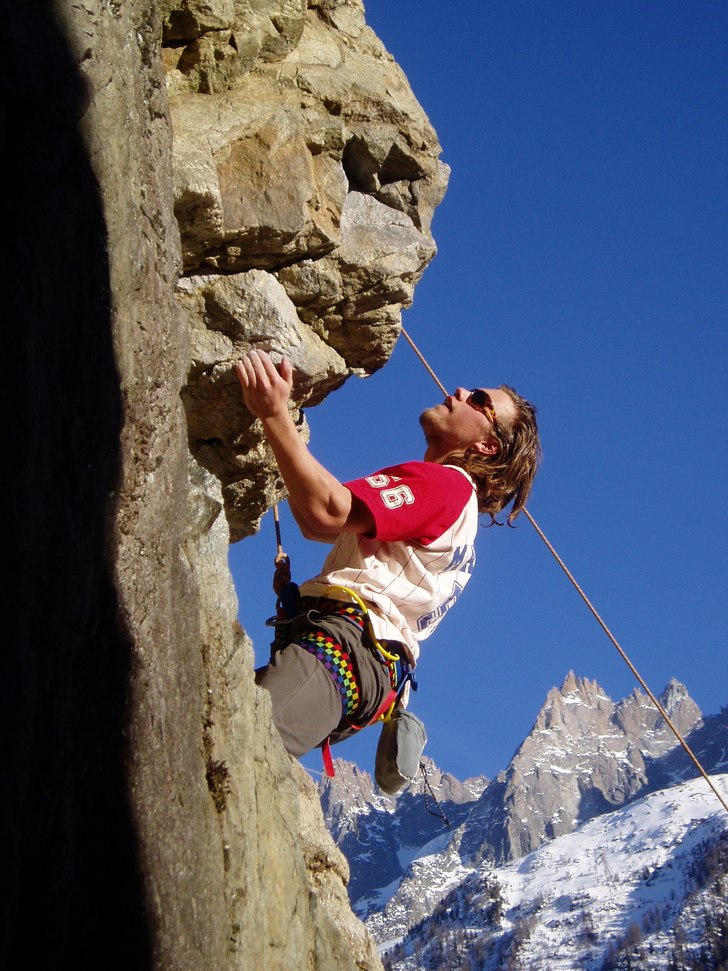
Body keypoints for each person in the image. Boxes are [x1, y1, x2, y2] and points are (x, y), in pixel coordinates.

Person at [235, 348, 541, 763]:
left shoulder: (445, 486)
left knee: (235, 747)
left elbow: (326, 511)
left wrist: (274, 414)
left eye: (480, 402)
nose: (460, 391)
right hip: (357, 668)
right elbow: (315, 520)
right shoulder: (454, 513)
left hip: (342, 650)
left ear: (488, 446)